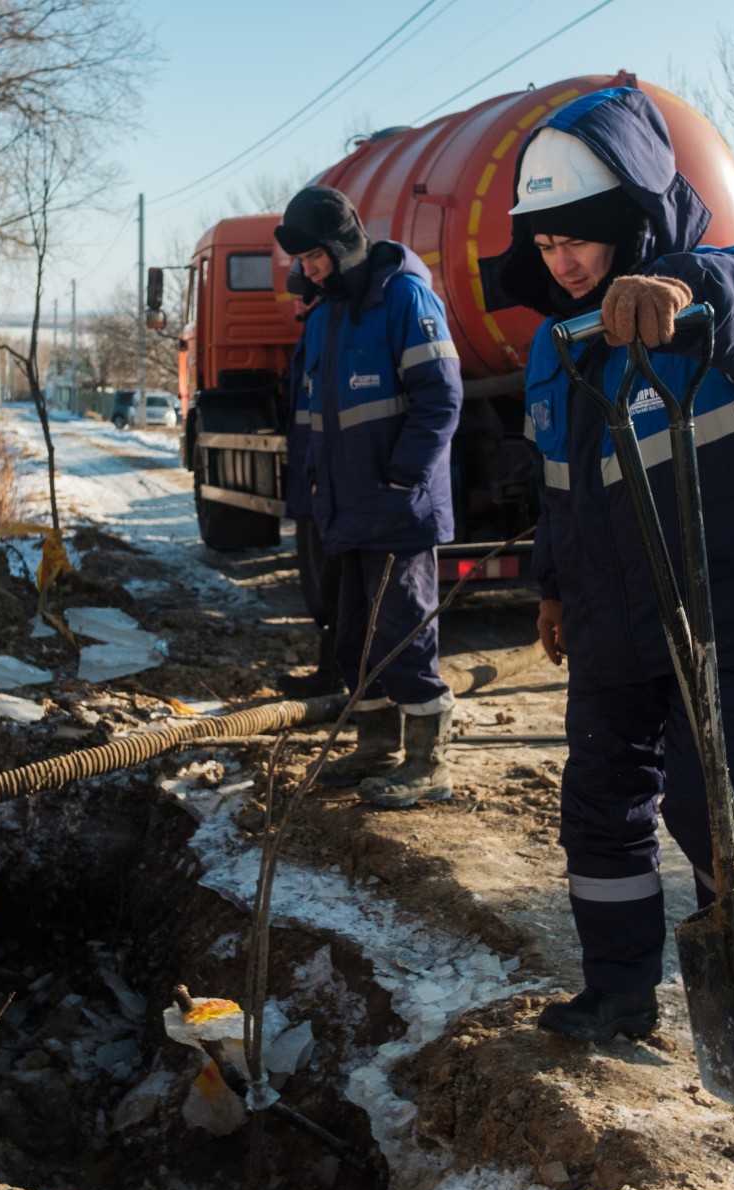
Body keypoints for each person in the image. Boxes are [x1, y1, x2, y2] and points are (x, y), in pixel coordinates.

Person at [481, 87, 734, 1041]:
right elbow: (560, 483)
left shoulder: (720, 289)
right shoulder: (556, 349)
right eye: (546, 242)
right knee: (599, 805)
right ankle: (619, 995)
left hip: (715, 608)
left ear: (630, 220)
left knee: (713, 803)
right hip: (608, 615)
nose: (560, 261)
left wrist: (686, 292)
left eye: (579, 239)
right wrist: (553, 591)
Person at [273, 185, 464, 808]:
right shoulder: (324, 314)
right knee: (354, 636)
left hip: (395, 509)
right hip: (343, 511)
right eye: (300, 260)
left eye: (312, 256)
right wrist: (306, 492)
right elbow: (307, 416)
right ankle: (375, 748)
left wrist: (402, 478)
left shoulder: (404, 298)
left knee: (403, 632)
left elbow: (440, 397)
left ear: (339, 244)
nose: (306, 269)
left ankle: (427, 762)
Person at [275, 261, 340, 699]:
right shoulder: (322, 322)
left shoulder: (322, 323)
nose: (295, 305)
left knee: (330, 582)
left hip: (321, 478)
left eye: (299, 295)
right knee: (330, 582)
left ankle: (334, 677)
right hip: (316, 475)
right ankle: (332, 672)